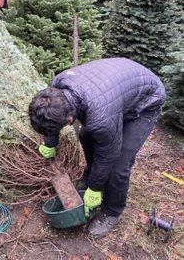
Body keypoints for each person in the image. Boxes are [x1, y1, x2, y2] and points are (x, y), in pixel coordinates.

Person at [28, 57, 165, 239]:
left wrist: (95, 188)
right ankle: (89, 179)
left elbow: (108, 153)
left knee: (119, 165)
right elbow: (48, 118)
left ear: (69, 120)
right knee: (86, 135)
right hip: (113, 92)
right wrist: (50, 143)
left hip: (146, 100)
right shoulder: (56, 88)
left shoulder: (100, 118)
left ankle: (112, 211)